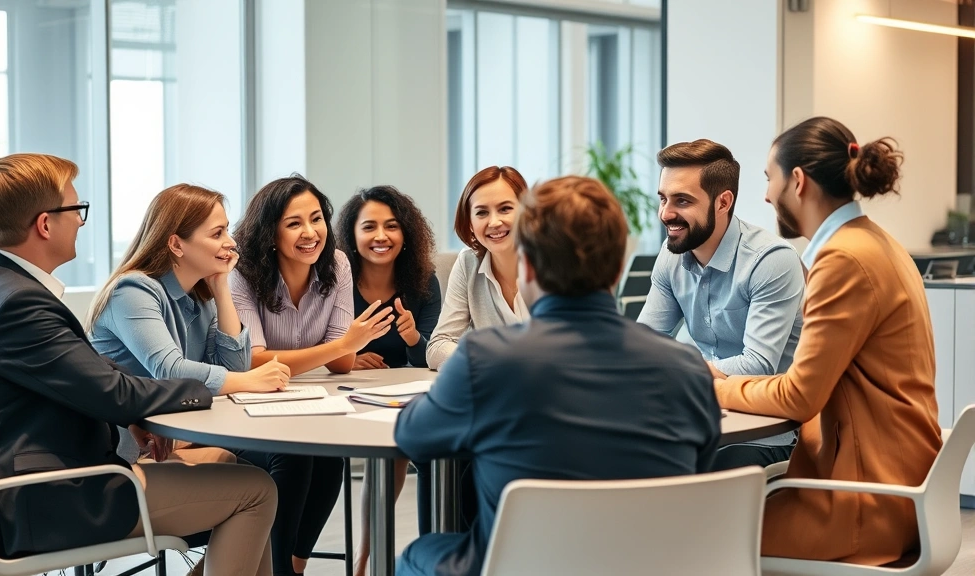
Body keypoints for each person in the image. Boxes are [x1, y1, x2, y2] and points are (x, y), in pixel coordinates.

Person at [0, 153, 277, 576]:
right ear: (46, 224)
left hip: (17, 492)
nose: (81, 222)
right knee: (257, 491)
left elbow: (92, 375)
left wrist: (137, 415)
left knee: (231, 468)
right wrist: (208, 388)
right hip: (44, 501)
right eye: (77, 210)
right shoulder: (19, 303)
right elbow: (116, 390)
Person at [395, 176, 721, 576]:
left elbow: (412, 437)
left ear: (527, 264)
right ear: (619, 269)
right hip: (649, 566)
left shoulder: (485, 359)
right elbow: (697, 474)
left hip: (517, 565)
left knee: (419, 552)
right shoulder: (687, 369)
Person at [714, 117, 941, 565]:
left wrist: (715, 384)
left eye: (768, 179)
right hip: (896, 489)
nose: (763, 195)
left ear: (797, 181)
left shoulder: (844, 259)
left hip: (863, 503)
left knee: (698, 527)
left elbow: (801, 395)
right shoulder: (879, 244)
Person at [230, 175, 394, 576]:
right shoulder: (244, 274)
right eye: (294, 223)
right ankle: (278, 569)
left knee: (330, 459)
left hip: (304, 400)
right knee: (295, 456)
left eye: (317, 218)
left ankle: (293, 565)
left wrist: (344, 347)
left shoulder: (336, 263)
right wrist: (343, 345)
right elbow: (253, 362)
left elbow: (339, 363)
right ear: (270, 232)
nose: (310, 232)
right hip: (245, 408)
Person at [88, 184, 291, 465]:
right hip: (130, 454)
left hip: (180, 433)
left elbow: (234, 369)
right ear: (176, 244)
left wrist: (221, 289)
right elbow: (170, 371)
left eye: (227, 231)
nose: (231, 242)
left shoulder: (199, 292)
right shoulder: (132, 291)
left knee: (305, 459)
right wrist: (249, 380)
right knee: (269, 465)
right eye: (217, 233)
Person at [638, 139, 804, 470]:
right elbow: (643, 344)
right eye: (663, 199)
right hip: (701, 422)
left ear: (723, 202)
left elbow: (758, 366)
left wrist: (678, 372)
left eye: (682, 201)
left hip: (766, 433)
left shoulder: (770, 260)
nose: (666, 214)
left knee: (704, 474)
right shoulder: (672, 257)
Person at [334, 185, 441, 576]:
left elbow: (430, 356)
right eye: (370, 227)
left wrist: (413, 337)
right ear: (352, 234)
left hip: (408, 396)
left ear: (406, 233)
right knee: (387, 454)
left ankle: (409, 553)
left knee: (415, 451)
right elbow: (325, 342)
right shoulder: (336, 279)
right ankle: (366, 557)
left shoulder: (423, 282)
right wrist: (350, 356)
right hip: (348, 392)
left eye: (392, 226)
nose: (381, 236)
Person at [425, 166, 529, 370]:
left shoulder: (556, 261)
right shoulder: (468, 263)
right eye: (481, 213)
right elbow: (437, 347)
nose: (494, 222)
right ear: (470, 224)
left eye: (505, 209)